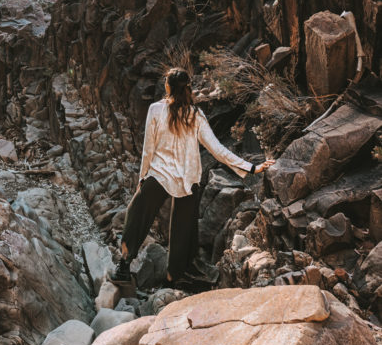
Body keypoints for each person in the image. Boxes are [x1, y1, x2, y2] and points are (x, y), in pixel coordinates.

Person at [112, 67, 274, 287]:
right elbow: (218, 150)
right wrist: (251, 168)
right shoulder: (196, 115)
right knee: (183, 229)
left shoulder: (156, 110)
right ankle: (175, 275)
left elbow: (147, 149)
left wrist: (143, 177)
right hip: (187, 179)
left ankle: (124, 265)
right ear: (187, 88)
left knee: (137, 214)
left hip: (160, 174)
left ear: (168, 86)